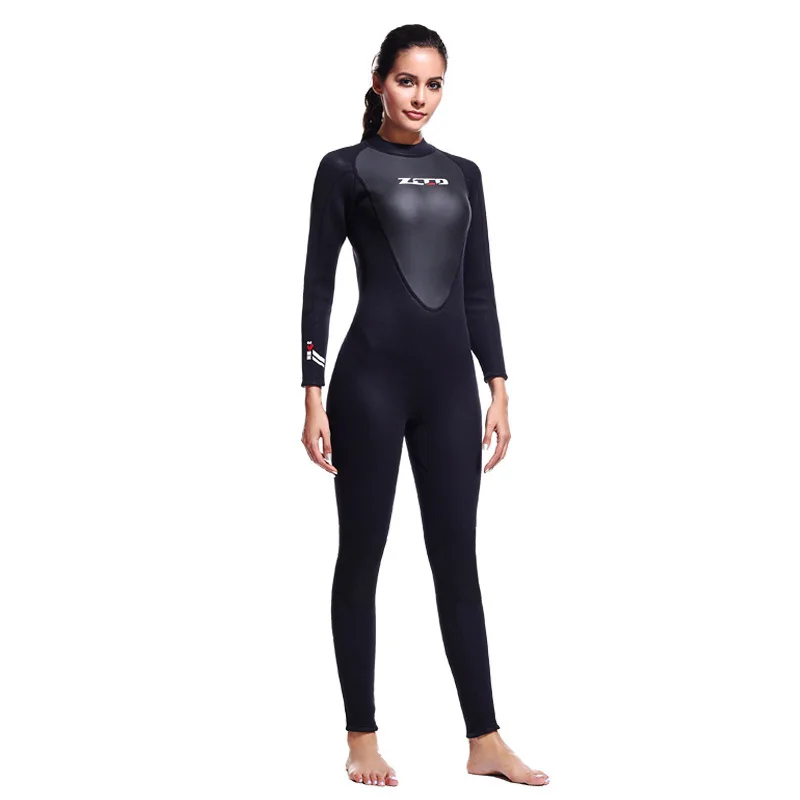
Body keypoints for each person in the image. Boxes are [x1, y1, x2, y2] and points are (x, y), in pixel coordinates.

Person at [299, 24, 550, 788]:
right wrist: (311, 393)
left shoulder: (464, 174)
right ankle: (362, 738)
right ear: (380, 80)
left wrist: (497, 384)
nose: (420, 97)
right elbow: (317, 284)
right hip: (367, 387)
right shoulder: (344, 169)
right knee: (362, 556)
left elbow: (479, 290)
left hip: (448, 393)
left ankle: (485, 739)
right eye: (407, 81)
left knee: (457, 562)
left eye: (434, 83)